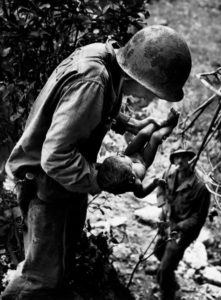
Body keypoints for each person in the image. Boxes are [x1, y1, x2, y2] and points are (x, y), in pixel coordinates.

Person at [2, 25, 192, 300]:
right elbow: (55, 158)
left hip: (66, 184)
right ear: (141, 77)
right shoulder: (92, 82)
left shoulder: (106, 60)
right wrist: (102, 177)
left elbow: (94, 108)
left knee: (60, 265)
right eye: (155, 92)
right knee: (39, 278)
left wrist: (129, 122)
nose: (154, 98)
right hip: (44, 185)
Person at [154, 148, 210, 300]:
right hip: (169, 220)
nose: (180, 161)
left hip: (184, 230)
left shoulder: (201, 186)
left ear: (190, 159)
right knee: (158, 250)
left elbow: (199, 218)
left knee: (165, 268)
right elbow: (160, 186)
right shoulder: (170, 173)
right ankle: (169, 275)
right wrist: (163, 205)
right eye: (176, 158)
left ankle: (167, 293)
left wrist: (178, 227)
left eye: (184, 157)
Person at [97, 108, 179, 198]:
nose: (120, 154)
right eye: (121, 157)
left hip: (131, 153)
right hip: (144, 160)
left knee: (143, 133)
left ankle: (163, 122)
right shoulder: (135, 183)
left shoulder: (118, 168)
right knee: (156, 137)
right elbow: (140, 194)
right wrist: (154, 184)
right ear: (132, 177)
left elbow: (103, 167)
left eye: (120, 156)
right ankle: (172, 124)